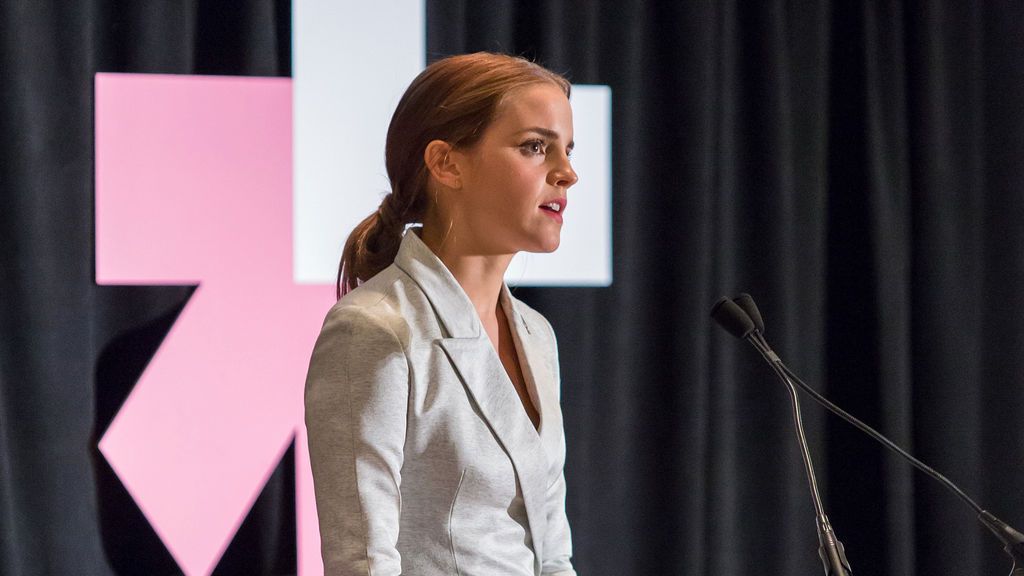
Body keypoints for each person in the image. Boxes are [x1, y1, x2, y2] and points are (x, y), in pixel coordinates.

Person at [304, 52, 579, 576]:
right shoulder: (375, 327)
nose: (566, 173)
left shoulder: (536, 335)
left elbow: (553, 549)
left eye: (567, 150)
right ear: (447, 163)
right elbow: (361, 561)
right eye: (535, 147)